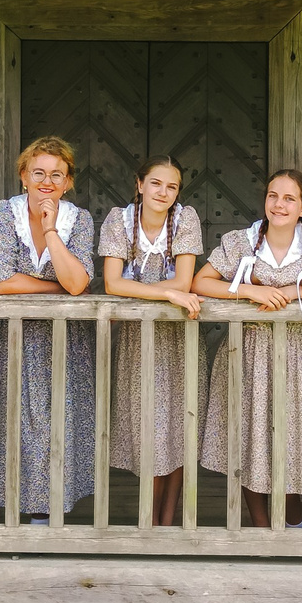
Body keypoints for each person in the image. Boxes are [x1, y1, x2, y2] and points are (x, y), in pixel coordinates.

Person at [196, 169, 302, 528]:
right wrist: (247, 290)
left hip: (293, 354)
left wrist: (293, 292)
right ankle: (259, 524)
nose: (279, 204)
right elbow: (201, 280)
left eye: (289, 198)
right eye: (273, 195)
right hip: (245, 351)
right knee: (248, 435)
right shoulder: (242, 240)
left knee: (291, 435)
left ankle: (290, 519)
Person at [0, 136, 98, 523]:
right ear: (24, 176)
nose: (47, 181)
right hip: (17, 337)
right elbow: (0, 278)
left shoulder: (78, 220)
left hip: (67, 340)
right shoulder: (5, 213)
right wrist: (58, 285)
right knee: (21, 424)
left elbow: (79, 283)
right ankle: (25, 513)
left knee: (61, 423)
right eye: (39, 172)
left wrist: (50, 231)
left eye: (57, 175)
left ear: (68, 182)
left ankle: (51, 513)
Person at [99, 156, 205, 526]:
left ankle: (165, 521)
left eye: (172, 186)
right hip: (136, 343)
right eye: (156, 183)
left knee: (178, 428)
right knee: (150, 432)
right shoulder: (119, 220)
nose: (164, 192)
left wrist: (155, 292)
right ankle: (149, 520)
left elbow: (184, 283)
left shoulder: (185, 219)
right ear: (139, 184)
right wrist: (169, 293)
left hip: (178, 339)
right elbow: (112, 284)